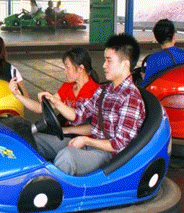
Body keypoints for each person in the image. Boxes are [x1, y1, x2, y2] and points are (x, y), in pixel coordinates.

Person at [34, 33, 145, 176]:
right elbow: (78, 115)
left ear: (125, 64)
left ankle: (51, 195)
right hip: (90, 146)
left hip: (109, 156)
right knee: (36, 140)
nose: (104, 65)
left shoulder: (131, 98)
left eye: (109, 61)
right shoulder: (104, 90)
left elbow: (120, 144)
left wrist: (86, 140)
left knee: (67, 156)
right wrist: (55, 101)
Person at [10, 47, 99, 122]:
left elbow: (76, 116)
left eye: (67, 67)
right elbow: (39, 108)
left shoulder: (95, 91)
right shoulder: (67, 87)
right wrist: (17, 95)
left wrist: (55, 101)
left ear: (80, 68)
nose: (65, 72)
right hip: (67, 135)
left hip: (82, 139)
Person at [142, 19, 184, 85]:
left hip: (163, 94)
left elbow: (147, 86)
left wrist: (143, 78)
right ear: (174, 36)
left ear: (156, 38)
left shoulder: (153, 59)